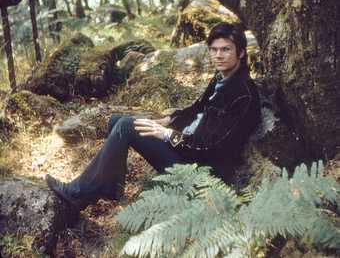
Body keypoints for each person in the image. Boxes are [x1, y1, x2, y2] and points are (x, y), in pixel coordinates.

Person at [46, 22, 261, 211]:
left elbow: (210, 149)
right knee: (115, 121)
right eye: (214, 50)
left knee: (125, 126)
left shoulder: (243, 95)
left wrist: (168, 134)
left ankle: (77, 194)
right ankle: (108, 186)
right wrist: (168, 121)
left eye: (226, 50)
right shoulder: (222, 77)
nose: (218, 55)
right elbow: (197, 109)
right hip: (187, 150)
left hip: (201, 173)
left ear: (241, 52)